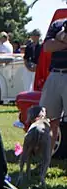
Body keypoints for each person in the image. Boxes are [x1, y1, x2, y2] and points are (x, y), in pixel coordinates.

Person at [39, 16, 67, 154]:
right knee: (48, 120)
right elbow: (47, 47)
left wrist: (59, 39)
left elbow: (54, 44)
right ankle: (47, 158)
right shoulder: (57, 23)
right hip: (54, 74)